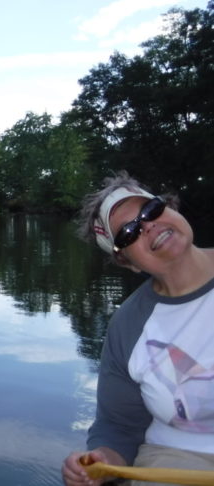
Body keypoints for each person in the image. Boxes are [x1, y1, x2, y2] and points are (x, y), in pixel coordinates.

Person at [61, 171, 214, 486]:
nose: (148, 225)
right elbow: (118, 427)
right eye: (130, 232)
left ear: (171, 208)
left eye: (151, 210)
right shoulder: (128, 326)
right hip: (178, 464)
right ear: (128, 262)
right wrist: (101, 461)